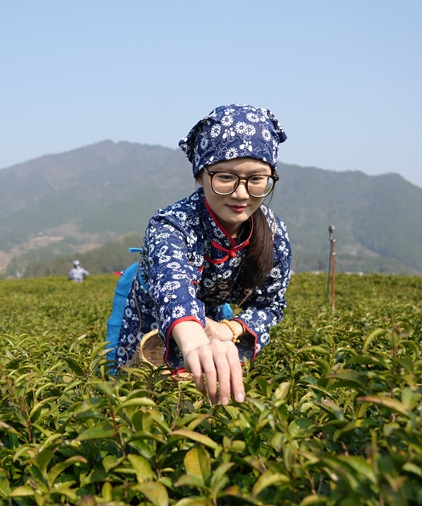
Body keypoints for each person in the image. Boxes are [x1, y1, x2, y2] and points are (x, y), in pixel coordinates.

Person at [112, 104, 292, 406]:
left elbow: (270, 305)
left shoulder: (274, 234)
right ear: (200, 175)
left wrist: (229, 328)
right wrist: (196, 342)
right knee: (136, 394)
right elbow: (174, 293)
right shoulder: (171, 224)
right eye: (225, 177)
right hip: (154, 310)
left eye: (257, 179)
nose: (241, 194)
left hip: (212, 317)